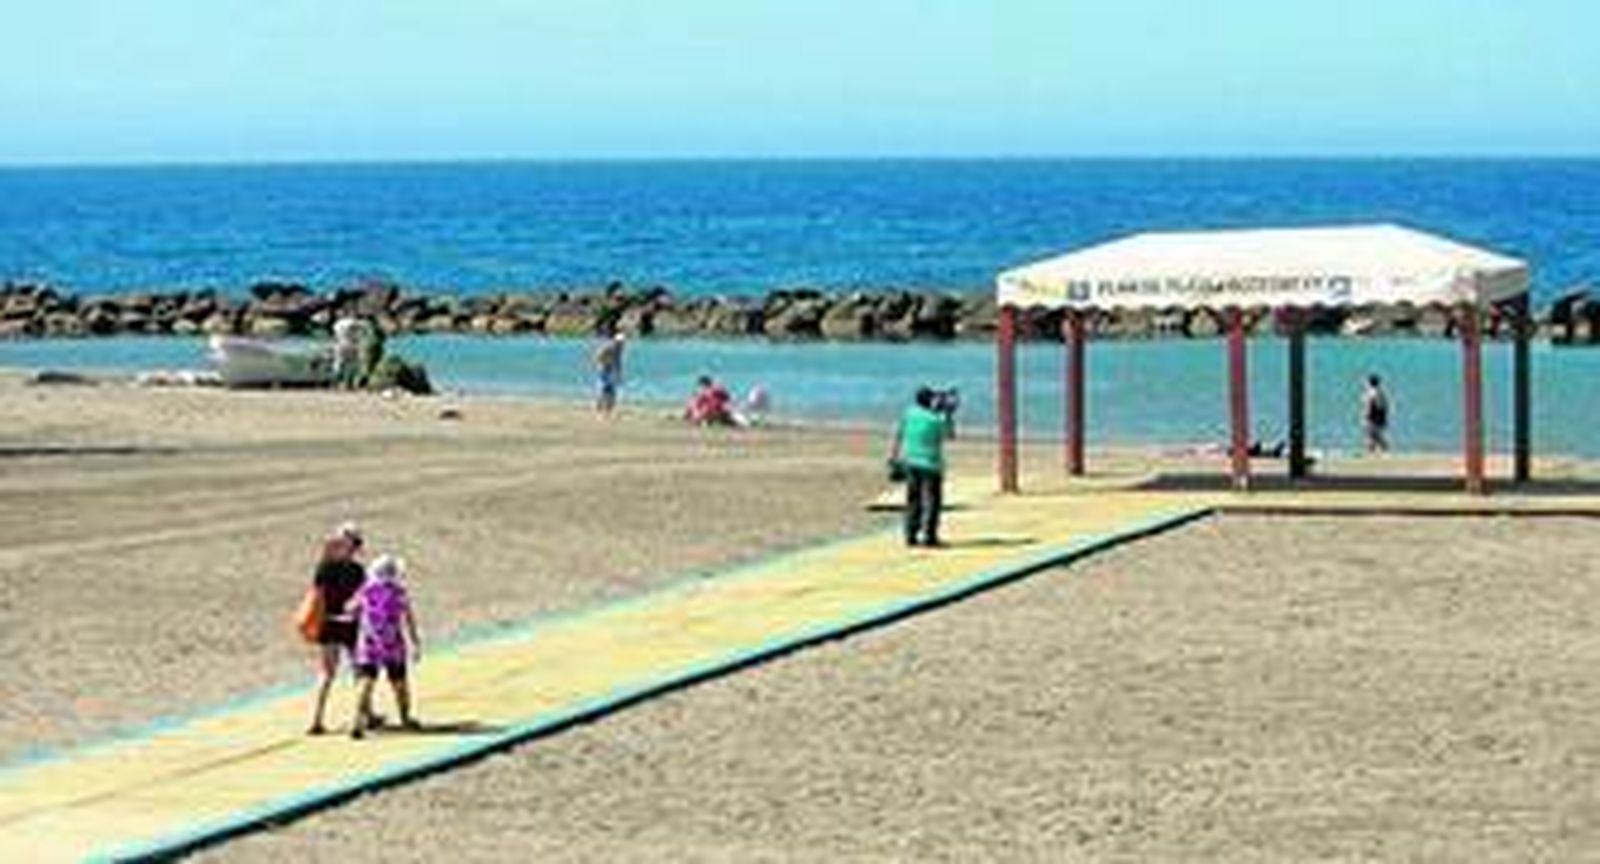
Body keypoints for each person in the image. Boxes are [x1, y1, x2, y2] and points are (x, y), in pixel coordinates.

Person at [347, 554, 422, 739]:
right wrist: (415, 641)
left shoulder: (366, 590)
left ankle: (356, 720)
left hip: (369, 642)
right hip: (392, 642)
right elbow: (409, 618)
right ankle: (405, 717)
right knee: (399, 683)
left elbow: (350, 608)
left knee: (366, 682)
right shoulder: (399, 591)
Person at [306, 522, 366, 735]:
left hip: (329, 622)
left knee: (326, 673)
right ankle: (359, 719)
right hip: (350, 624)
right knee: (359, 672)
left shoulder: (325, 568)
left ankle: (316, 719)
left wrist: (327, 553)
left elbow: (316, 588)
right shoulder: (358, 571)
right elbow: (363, 599)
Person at [890, 387, 955, 548]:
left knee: (913, 499)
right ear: (929, 401)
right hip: (930, 465)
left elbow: (900, 433)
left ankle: (910, 534)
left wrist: (894, 455)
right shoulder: (935, 419)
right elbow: (949, 435)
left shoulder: (909, 413)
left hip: (910, 462)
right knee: (932, 501)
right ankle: (929, 536)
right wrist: (948, 413)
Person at [593, 332, 626, 415]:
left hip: (610, 370)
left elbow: (618, 362)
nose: (621, 344)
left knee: (612, 391)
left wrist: (619, 374)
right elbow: (598, 356)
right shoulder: (608, 347)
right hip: (603, 369)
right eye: (620, 342)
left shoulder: (619, 350)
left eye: (622, 343)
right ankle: (599, 409)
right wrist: (602, 364)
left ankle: (609, 410)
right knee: (602, 389)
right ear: (615, 341)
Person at [1362, 374, 1390, 453]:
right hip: (1379, 417)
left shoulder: (1371, 393)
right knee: (1374, 436)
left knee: (1373, 435)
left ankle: (1381, 450)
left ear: (1370, 383)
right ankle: (1372, 451)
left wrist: (1366, 416)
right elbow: (1385, 406)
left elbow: (1370, 406)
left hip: (1373, 417)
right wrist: (1384, 417)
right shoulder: (1381, 393)